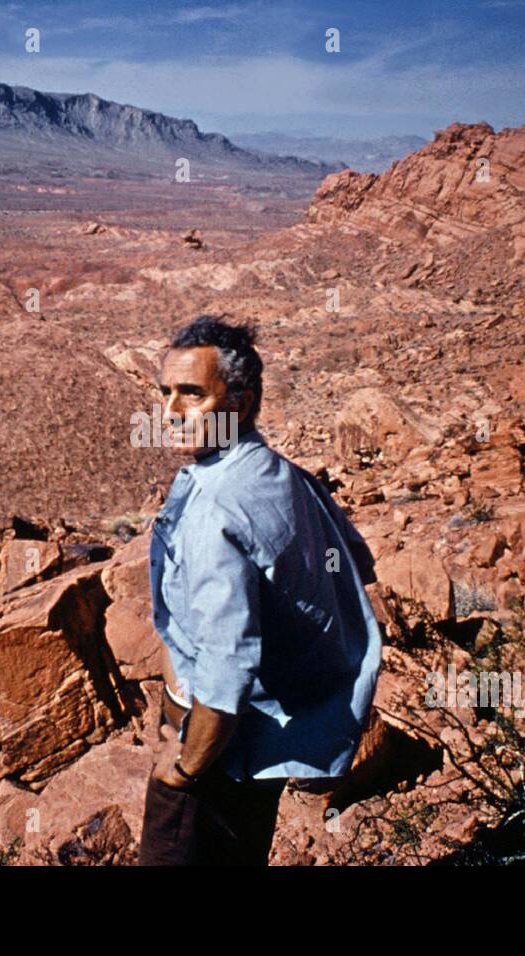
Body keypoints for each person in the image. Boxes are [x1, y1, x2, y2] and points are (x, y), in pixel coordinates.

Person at [138, 315, 382, 866]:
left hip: (220, 752)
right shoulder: (282, 475)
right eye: (165, 392)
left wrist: (184, 770)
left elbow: (225, 675)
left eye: (192, 394)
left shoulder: (218, 511)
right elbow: (355, 564)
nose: (171, 411)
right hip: (265, 750)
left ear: (242, 403)